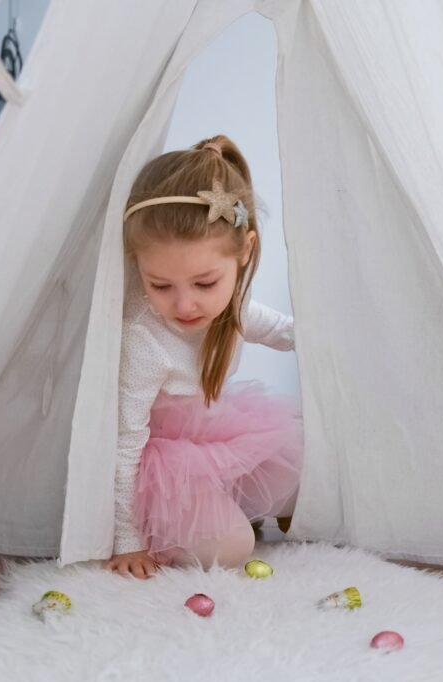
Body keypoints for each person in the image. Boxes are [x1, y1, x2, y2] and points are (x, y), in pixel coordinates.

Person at [105, 134, 302, 579]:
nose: (185, 305)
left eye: (205, 284)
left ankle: (225, 504)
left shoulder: (232, 307)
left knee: (304, 476)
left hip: (212, 440)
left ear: (245, 251)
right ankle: (196, 523)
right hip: (155, 468)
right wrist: (127, 540)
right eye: (160, 285)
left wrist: (331, 338)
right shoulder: (144, 338)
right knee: (232, 548)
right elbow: (125, 444)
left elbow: (281, 331)